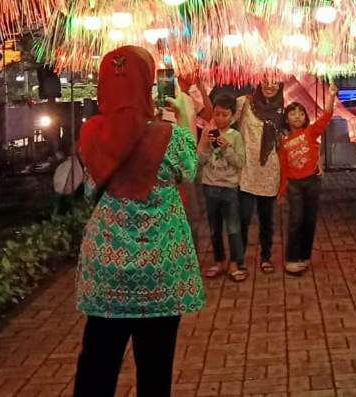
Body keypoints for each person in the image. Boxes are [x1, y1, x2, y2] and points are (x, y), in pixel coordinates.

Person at [74, 46, 205, 397]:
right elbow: (189, 170)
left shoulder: (92, 134)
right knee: (155, 367)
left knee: (97, 363)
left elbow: (89, 192)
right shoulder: (171, 136)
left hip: (107, 268)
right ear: (148, 83)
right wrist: (184, 116)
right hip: (161, 269)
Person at [278, 84, 337, 275]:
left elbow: (327, 115)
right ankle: (291, 258)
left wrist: (331, 96)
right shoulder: (284, 142)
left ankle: (304, 256)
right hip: (294, 185)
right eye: (293, 114)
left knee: (310, 220)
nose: (297, 117)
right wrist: (281, 191)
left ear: (305, 117)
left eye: (300, 114)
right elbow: (283, 168)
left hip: (312, 182)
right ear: (286, 118)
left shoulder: (311, 133)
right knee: (296, 220)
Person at [235, 80, 284, 273]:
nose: (269, 86)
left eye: (274, 82)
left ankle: (266, 257)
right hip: (246, 170)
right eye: (266, 80)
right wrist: (217, 147)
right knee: (243, 218)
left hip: (269, 170)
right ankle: (239, 260)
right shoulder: (244, 103)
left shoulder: (282, 110)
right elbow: (216, 121)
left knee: (266, 219)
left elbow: (291, 137)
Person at [197, 94, 247, 282]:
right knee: (213, 229)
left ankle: (235, 263)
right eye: (217, 114)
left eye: (225, 115)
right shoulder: (207, 133)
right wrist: (206, 145)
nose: (220, 118)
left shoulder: (236, 136)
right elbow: (199, 161)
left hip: (229, 188)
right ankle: (219, 261)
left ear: (232, 117)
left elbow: (240, 162)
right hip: (210, 186)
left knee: (233, 228)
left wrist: (226, 148)